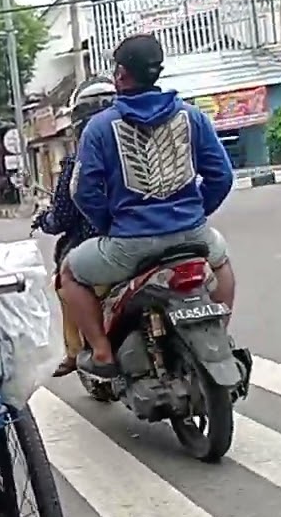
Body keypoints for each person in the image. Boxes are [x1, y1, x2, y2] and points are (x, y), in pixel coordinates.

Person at [58, 33, 237, 378]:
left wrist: (110, 225)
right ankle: (219, 335)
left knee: (68, 272)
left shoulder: (99, 127)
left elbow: (83, 192)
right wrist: (194, 214)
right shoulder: (193, 117)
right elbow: (222, 176)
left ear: (122, 74)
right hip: (193, 236)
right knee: (223, 264)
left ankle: (101, 351)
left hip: (129, 246)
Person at [32, 78, 116, 376]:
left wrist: (46, 220)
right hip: (165, 234)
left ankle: (81, 350)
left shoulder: (79, 162)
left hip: (107, 248)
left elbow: (64, 216)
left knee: (65, 280)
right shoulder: (140, 146)